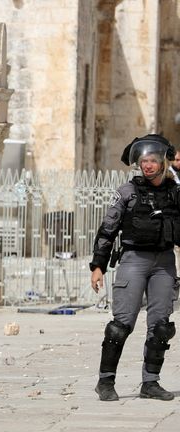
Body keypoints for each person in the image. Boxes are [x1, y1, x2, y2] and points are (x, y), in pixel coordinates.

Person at [90, 134, 180, 402]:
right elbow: (107, 230)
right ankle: (105, 381)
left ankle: (150, 383)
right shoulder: (127, 193)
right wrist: (98, 266)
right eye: (144, 161)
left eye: (153, 160)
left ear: (163, 162)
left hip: (164, 261)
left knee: (161, 326)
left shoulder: (175, 194)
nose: (148, 165)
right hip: (134, 260)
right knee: (121, 325)